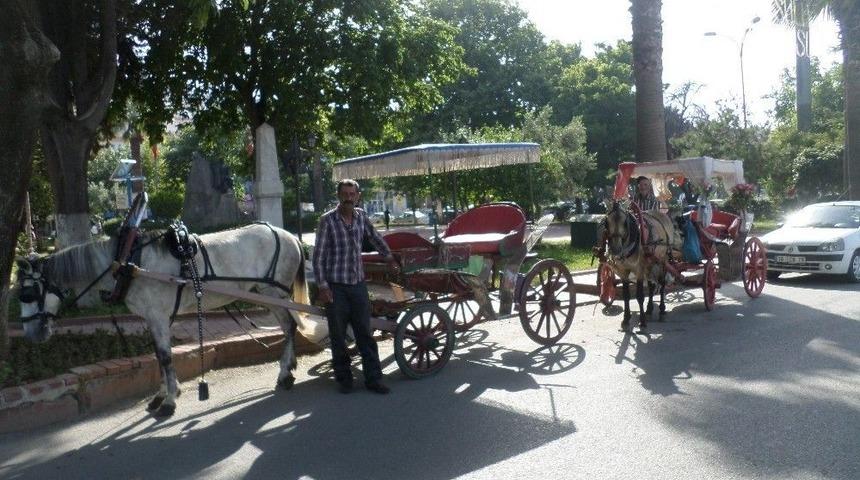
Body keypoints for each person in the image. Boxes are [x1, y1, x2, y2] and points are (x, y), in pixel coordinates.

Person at [313, 179, 399, 395]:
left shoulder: (361, 217)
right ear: (338, 196)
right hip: (336, 286)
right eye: (345, 194)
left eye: (352, 194)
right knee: (338, 335)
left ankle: (374, 379)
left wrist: (389, 257)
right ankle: (344, 378)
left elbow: (375, 237)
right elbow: (319, 257)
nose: (349, 198)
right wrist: (323, 286)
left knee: (365, 333)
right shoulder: (328, 220)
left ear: (358, 196)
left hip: (357, 284)